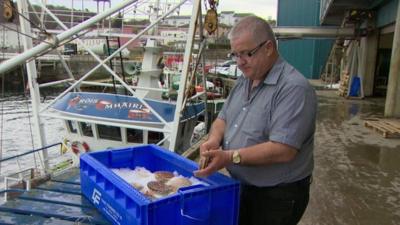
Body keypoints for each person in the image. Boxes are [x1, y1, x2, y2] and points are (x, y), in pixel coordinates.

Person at [194, 16, 317, 225]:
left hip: (277, 196)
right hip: (243, 186)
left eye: (246, 54)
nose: (240, 62)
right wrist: (214, 140)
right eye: (235, 54)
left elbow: (283, 149)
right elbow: (223, 119)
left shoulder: (293, 88)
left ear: (268, 47)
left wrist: (230, 157)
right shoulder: (245, 80)